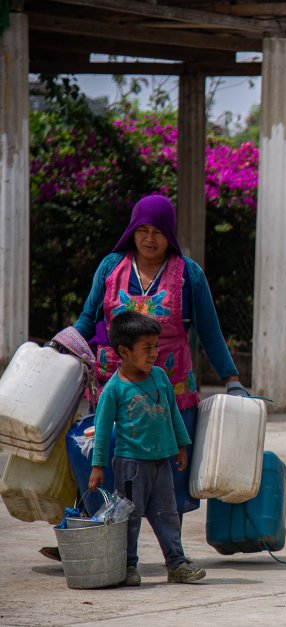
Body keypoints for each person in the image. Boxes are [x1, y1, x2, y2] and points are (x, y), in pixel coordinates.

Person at [71, 195, 244, 525]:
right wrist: (61, 349)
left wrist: (231, 378)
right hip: (114, 389)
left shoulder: (188, 275)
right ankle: (93, 537)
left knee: (170, 479)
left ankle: (173, 553)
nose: (149, 239)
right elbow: (88, 316)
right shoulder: (111, 267)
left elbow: (210, 330)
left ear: (171, 235)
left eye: (158, 232)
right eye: (142, 230)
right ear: (132, 231)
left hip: (170, 395)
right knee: (102, 464)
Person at [89, 311, 206, 586]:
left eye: (156, 346)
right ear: (124, 351)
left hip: (160, 463)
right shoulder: (114, 390)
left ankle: (176, 564)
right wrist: (97, 466)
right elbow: (102, 431)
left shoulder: (161, 378)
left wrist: (181, 444)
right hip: (130, 466)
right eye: (147, 348)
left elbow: (173, 413)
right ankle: (128, 566)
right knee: (129, 518)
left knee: (168, 515)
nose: (154, 353)